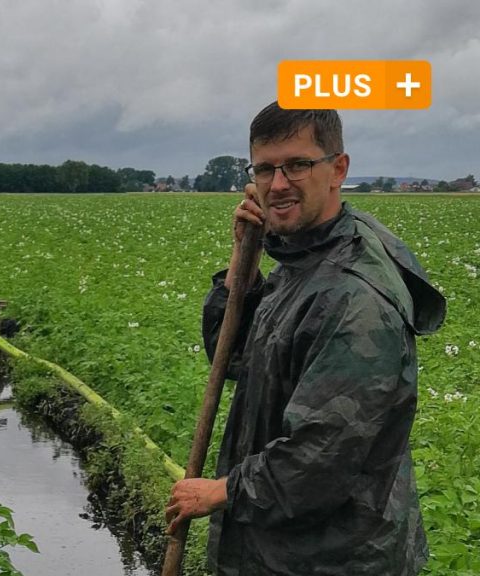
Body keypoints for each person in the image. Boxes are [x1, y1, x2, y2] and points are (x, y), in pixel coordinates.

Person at [163, 101, 446, 575]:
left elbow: (324, 456)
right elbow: (233, 360)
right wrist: (243, 262)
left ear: (338, 168)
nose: (277, 184)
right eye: (266, 168)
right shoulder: (306, 258)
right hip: (281, 547)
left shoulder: (354, 296)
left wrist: (224, 490)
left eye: (297, 165)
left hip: (333, 558)